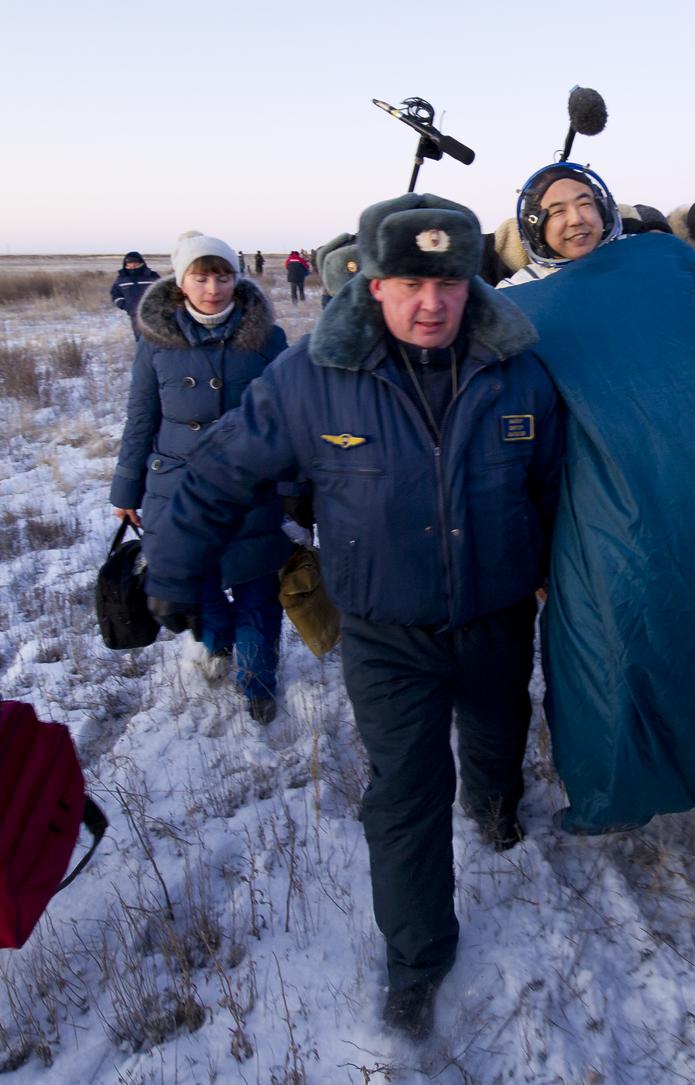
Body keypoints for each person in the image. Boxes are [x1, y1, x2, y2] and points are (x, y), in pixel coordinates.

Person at [140, 194, 565, 1038]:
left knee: (495, 730)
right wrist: (176, 569)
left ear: (472, 281)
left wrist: (559, 577)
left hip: (497, 614)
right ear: (372, 284)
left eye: (448, 281)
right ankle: (417, 958)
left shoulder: (519, 368)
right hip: (384, 630)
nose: (431, 303)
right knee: (404, 793)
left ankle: (495, 799)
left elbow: (553, 488)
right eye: (409, 281)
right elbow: (222, 471)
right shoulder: (311, 378)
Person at [110, 231, 290, 724]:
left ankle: (257, 683)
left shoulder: (267, 338)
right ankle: (218, 641)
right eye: (201, 276)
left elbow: (290, 418)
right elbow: (141, 416)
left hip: (251, 488)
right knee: (201, 586)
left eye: (223, 275)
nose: (213, 287)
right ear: (181, 281)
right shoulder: (156, 341)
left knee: (257, 590)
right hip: (178, 489)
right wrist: (126, 489)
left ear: (236, 277)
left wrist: (295, 491)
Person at [497, 162, 621, 287]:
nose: (576, 220)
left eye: (585, 204)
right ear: (535, 230)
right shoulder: (515, 292)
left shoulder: (637, 251)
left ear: (602, 211)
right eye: (558, 211)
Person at [110, 251, 160, 339]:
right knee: (140, 340)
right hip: (134, 315)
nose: (132, 265)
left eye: (135, 263)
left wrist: (156, 305)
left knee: (157, 339)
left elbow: (161, 291)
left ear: (140, 263)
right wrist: (123, 304)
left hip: (153, 314)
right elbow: (115, 293)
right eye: (129, 263)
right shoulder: (122, 278)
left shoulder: (152, 275)